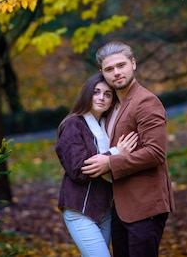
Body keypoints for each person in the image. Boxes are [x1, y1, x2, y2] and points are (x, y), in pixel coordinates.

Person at [81, 41, 175, 257]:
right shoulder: (112, 106)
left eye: (121, 65)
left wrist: (110, 162)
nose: (116, 73)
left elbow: (155, 153)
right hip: (120, 208)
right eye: (109, 69)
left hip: (145, 205)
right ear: (102, 73)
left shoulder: (146, 102)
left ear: (133, 63)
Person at [56, 73, 138, 257]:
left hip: (105, 208)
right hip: (79, 209)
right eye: (96, 92)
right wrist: (116, 153)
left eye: (107, 94)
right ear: (87, 94)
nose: (101, 98)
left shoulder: (107, 125)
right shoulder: (72, 125)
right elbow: (78, 170)